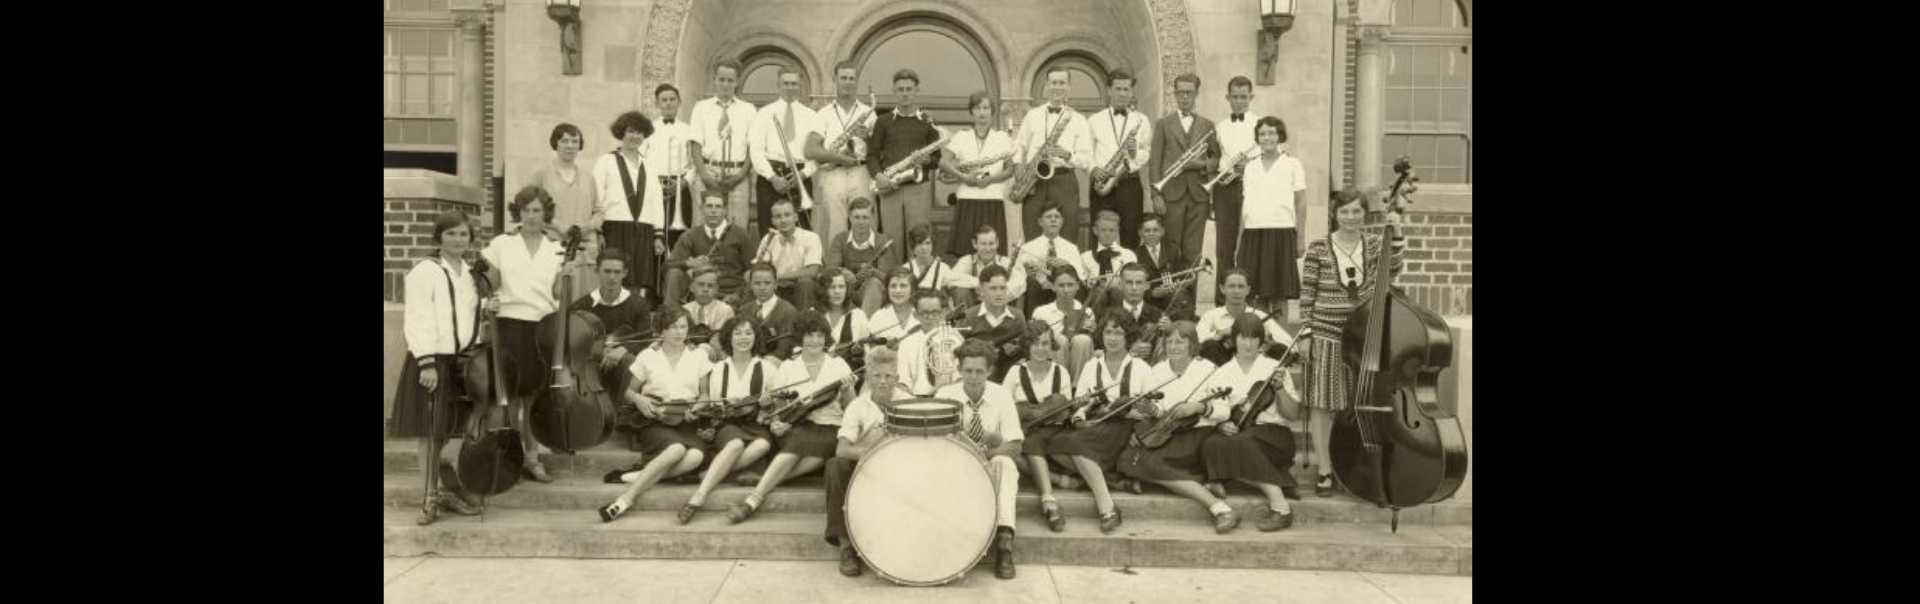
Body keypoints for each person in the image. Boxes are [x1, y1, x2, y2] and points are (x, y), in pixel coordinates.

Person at [1298, 186, 1405, 496]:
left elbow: (1394, 268)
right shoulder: (1319, 248)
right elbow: (1308, 294)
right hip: (1326, 334)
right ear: (1335, 214)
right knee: (1322, 403)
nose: (1350, 217)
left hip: (1363, 337)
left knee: (1361, 403)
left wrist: (1396, 231)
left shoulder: (1373, 245)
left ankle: (1357, 466)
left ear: (1364, 214)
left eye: (1356, 211)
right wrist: (1306, 333)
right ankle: (1325, 470)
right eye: (1344, 211)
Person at [393, 211, 487, 525]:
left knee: (452, 430)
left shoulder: (470, 273)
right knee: (430, 432)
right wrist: (426, 363)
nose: (458, 240)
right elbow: (418, 318)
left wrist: (488, 307)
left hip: (462, 362)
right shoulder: (426, 271)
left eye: (463, 235)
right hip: (433, 361)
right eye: (451, 234)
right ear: (439, 238)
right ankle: (429, 496)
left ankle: (447, 488)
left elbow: (463, 313)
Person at [1114, 321, 1244, 533]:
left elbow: (1224, 410)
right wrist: (1149, 413)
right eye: (1170, 341)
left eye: (1180, 342)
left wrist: (1199, 407)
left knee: (1149, 464)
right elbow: (1159, 410)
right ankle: (1200, 482)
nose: (1173, 346)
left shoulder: (1208, 369)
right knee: (1126, 459)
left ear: (1192, 345)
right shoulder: (1157, 370)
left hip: (1197, 434)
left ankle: (1220, 509)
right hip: (1167, 432)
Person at [730, 311, 858, 524]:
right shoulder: (789, 367)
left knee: (816, 450)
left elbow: (852, 408)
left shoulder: (838, 365)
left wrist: (848, 390)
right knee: (799, 443)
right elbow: (779, 408)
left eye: (819, 335)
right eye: (809, 335)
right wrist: (777, 423)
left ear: (826, 337)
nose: (815, 341)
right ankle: (753, 499)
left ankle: (756, 493)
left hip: (831, 426)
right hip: (798, 425)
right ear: (800, 337)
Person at [480, 186, 569, 483]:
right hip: (508, 324)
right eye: (526, 210)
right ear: (517, 213)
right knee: (508, 398)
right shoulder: (502, 244)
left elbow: (557, 293)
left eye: (537, 211)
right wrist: (484, 295)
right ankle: (508, 457)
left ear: (546, 214)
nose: (531, 216)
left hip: (540, 327)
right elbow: (488, 282)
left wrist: (570, 271)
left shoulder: (555, 249)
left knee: (532, 398)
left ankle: (532, 457)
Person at [599, 308, 713, 523]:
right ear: (661, 330)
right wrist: (641, 401)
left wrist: (698, 407)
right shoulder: (648, 355)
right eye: (672, 327)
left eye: (683, 327)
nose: (679, 332)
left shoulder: (698, 356)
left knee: (696, 456)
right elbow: (629, 392)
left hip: (686, 419)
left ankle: (632, 477)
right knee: (677, 449)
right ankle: (625, 499)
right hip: (656, 419)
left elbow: (705, 393)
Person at [1051, 312, 1155, 534]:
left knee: (1074, 446)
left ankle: (1106, 507)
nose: (1113, 338)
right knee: (1056, 445)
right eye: (1108, 332)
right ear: (1102, 335)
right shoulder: (1092, 366)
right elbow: (1080, 404)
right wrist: (1080, 414)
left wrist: (1139, 412)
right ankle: (1110, 478)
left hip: (1125, 429)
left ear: (1129, 337)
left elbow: (1153, 409)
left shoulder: (1141, 367)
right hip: (1097, 425)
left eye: (1119, 332)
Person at [930, 340, 1026, 580]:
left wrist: (984, 457)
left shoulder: (1002, 395)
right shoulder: (945, 395)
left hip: (988, 463)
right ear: (959, 370)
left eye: (979, 371)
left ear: (990, 371)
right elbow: (934, 443)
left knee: (1006, 464)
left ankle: (1004, 542)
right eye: (968, 371)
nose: (973, 377)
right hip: (954, 464)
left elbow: (1014, 445)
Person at [1199, 313, 1302, 531]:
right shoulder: (1222, 372)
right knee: (1210, 445)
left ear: (1261, 341)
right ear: (1233, 340)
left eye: (1254, 338)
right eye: (1243, 337)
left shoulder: (1275, 368)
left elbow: (1292, 415)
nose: (1248, 343)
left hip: (1274, 436)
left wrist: (1280, 389)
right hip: (1241, 435)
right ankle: (1280, 479)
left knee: (1240, 443)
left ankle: (1281, 507)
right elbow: (1217, 411)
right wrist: (1220, 425)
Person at [678, 315, 778, 524]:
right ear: (728, 338)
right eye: (738, 333)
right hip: (728, 423)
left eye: (749, 333)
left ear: (756, 337)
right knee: (735, 444)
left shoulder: (767, 368)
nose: (743, 338)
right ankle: (698, 497)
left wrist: (767, 403)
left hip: (755, 423)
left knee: (762, 444)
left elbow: (776, 406)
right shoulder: (718, 369)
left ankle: (710, 472)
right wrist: (711, 408)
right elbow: (713, 404)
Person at [824, 345, 907, 577]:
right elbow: (842, 449)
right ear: (867, 377)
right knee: (834, 466)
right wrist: (876, 451)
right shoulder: (857, 406)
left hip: (899, 469)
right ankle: (846, 546)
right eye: (876, 376)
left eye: (888, 376)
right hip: (865, 469)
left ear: (897, 377)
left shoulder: (909, 402)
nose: (882, 381)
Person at [568, 250, 655, 450]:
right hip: (590, 365)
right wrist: (600, 352)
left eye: (617, 272)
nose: (612, 277)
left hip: (622, 365)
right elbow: (573, 341)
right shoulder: (582, 305)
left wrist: (623, 349)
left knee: (631, 361)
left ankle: (624, 423)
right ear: (597, 271)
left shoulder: (638, 304)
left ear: (624, 273)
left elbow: (646, 338)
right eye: (607, 271)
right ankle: (588, 419)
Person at [1004, 319, 1078, 532]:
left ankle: (1051, 490)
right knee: (1012, 449)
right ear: (1027, 345)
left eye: (1045, 343)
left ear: (1051, 346)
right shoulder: (1015, 372)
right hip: (1025, 431)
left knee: (1038, 441)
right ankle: (1051, 493)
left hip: (1053, 431)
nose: (1040, 348)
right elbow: (1005, 408)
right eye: (1035, 343)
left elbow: (1064, 409)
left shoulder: (1060, 372)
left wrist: (1050, 410)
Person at [866, 68, 944, 264]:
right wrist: (878, 176)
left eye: (909, 88)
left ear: (917, 90)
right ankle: (892, 285)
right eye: (900, 89)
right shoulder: (883, 121)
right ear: (894, 90)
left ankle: (918, 285)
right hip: (889, 186)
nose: (905, 93)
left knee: (918, 239)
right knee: (890, 240)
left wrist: (926, 160)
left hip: (917, 188)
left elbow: (937, 158)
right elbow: (872, 155)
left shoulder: (927, 121)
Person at [1236, 116, 1308, 318]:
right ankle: (1258, 339)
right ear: (1257, 138)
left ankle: (1280, 342)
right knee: (1253, 295)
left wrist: (1300, 239)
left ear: (1280, 136)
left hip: (1281, 233)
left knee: (1279, 294)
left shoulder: (1293, 164)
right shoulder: (1250, 167)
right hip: (1253, 234)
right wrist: (1239, 241)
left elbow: (1301, 202)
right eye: (1262, 134)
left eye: (1271, 133)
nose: (1266, 137)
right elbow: (1246, 206)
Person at [1148, 73, 1221, 270]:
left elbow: (1217, 159)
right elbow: (1154, 162)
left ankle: (1189, 301)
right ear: (1175, 94)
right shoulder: (1163, 124)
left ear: (1196, 94)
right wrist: (1156, 195)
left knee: (1193, 251)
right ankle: (1172, 298)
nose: (1185, 97)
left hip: (1199, 196)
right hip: (1171, 194)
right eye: (1180, 93)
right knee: (1171, 249)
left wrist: (1201, 165)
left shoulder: (1208, 125)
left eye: (1189, 93)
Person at [1012, 68, 1092, 243]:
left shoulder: (1078, 119)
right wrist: (1019, 166)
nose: (1057, 87)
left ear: (1069, 87)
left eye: (1062, 83)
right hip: (1034, 180)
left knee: (1068, 233)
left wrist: (1067, 155)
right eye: (1053, 83)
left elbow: (1086, 160)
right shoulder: (1032, 115)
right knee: (1032, 232)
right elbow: (1018, 145)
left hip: (1064, 180)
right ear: (1047, 86)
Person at [591, 112, 666, 298]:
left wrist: (658, 235)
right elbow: (596, 197)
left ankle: (632, 320)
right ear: (621, 133)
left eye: (640, 132)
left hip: (643, 229)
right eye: (631, 131)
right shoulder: (606, 161)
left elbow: (656, 201)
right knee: (613, 278)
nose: (635, 136)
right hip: (615, 227)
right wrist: (598, 231)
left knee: (639, 279)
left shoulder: (649, 166)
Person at [804, 60, 877, 243]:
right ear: (835, 81)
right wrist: (838, 157)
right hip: (832, 172)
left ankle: (865, 264)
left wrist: (868, 136)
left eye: (852, 78)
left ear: (856, 81)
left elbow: (878, 150)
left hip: (861, 171)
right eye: (843, 78)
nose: (848, 82)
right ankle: (834, 268)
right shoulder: (823, 113)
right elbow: (810, 150)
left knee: (864, 220)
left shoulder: (869, 112)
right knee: (834, 224)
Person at [940, 91, 1015, 259]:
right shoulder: (961, 136)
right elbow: (943, 163)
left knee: (992, 253)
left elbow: (1010, 170)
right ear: (972, 112)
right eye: (978, 108)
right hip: (967, 199)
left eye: (986, 108)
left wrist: (990, 179)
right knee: (965, 252)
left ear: (992, 111)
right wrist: (964, 177)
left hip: (993, 199)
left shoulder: (1002, 137)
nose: (982, 112)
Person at [530, 122, 602, 293]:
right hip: (554, 245)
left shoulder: (588, 178)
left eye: (575, 142)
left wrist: (588, 226)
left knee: (583, 301)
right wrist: (559, 227)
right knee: (555, 297)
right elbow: (531, 210)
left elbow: (598, 211)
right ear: (556, 143)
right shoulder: (542, 175)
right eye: (565, 141)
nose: (570, 146)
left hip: (585, 250)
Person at [690, 58, 760, 229]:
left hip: (737, 174)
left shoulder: (748, 109)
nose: (725, 84)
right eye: (721, 79)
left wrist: (742, 174)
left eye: (730, 80)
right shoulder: (701, 107)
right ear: (715, 80)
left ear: (737, 82)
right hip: (708, 173)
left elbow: (753, 147)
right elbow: (695, 145)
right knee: (704, 225)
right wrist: (704, 175)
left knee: (736, 227)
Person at [1087, 68, 1152, 249]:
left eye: (1127, 89)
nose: (1123, 94)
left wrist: (1133, 155)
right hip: (1102, 183)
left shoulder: (1141, 120)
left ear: (1131, 92)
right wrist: (1093, 169)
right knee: (1100, 237)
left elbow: (1146, 152)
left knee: (1130, 235)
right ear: (1109, 90)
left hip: (1130, 184)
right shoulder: (1094, 120)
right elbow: (1087, 152)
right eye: (1118, 89)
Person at [1211, 75, 1263, 295]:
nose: (1239, 101)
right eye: (1235, 97)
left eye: (1244, 97)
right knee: (1224, 245)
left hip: (1251, 187)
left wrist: (1249, 165)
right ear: (1227, 98)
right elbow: (1217, 157)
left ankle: (1247, 296)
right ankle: (1221, 299)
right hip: (1225, 187)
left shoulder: (1261, 124)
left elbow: (1269, 156)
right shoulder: (1220, 126)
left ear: (1251, 97)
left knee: (1248, 243)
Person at [751, 66, 818, 232]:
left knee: (802, 227)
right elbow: (756, 150)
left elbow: (816, 153)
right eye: (786, 83)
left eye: (794, 83)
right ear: (778, 85)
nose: (790, 87)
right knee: (769, 229)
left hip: (800, 174)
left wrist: (803, 174)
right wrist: (772, 178)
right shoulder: (764, 113)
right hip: (771, 177)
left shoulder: (811, 115)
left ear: (800, 86)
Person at [665, 195, 756, 308]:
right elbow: (669, 264)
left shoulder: (740, 234)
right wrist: (689, 263)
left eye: (718, 206)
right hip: (701, 292)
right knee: (674, 273)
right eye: (709, 206)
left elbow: (753, 269)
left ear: (725, 210)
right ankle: (671, 317)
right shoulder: (690, 235)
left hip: (731, 293)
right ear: (702, 209)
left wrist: (739, 294)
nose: (713, 210)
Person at [1196, 268, 1294, 365]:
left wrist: (1268, 340)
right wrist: (1218, 334)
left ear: (1248, 290)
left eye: (1241, 286)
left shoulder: (1259, 315)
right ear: (1222, 289)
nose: (1236, 291)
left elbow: (1290, 345)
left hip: (1253, 370)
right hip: (1220, 372)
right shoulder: (1211, 316)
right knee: (1210, 346)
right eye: (1231, 286)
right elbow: (1195, 343)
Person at [818, 197, 895, 315]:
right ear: (849, 218)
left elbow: (889, 278)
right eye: (856, 217)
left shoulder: (883, 241)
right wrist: (844, 272)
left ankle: (864, 328)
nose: (860, 222)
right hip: (846, 290)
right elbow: (831, 269)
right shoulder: (840, 239)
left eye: (865, 217)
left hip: (872, 293)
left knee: (874, 283)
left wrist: (873, 272)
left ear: (872, 218)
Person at [1012, 203, 1092, 316]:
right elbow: (1018, 276)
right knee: (1032, 283)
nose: (1053, 220)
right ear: (1040, 222)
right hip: (1038, 291)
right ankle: (1035, 325)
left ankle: (1072, 320)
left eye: (1057, 217)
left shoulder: (1071, 248)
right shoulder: (1028, 248)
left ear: (1062, 222)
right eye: (1049, 217)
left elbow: (1081, 277)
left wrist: (1067, 266)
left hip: (1064, 290)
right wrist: (1030, 273)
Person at [648, 84, 699, 251]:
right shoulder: (648, 130)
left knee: (680, 237)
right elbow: (643, 161)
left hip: (680, 185)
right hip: (655, 186)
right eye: (664, 100)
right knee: (656, 232)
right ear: (657, 103)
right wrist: (653, 183)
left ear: (679, 102)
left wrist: (686, 181)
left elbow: (695, 161)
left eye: (672, 99)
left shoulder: (689, 129)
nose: (668, 103)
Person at [953, 265, 1026, 380]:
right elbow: (958, 351)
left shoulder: (1017, 316)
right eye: (993, 288)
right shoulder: (967, 317)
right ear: (981, 290)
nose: (999, 293)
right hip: (977, 373)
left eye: (1003, 288)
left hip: (1009, 371)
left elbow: (1024, 348)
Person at [752, 197, 823, 309]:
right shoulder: (768, 238)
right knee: (755, 282)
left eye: (787, 215)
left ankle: (804, 323)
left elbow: (812, 271)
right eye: (778, 217)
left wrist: (778, 276)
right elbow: (761, 268)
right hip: (776, 288)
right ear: (773, 221)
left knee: (806, 283)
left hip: (799, 288)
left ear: (795, 217)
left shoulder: (811, 237)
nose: (783, 220)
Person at [895, 287, 964, 396]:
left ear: (944, 313)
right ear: (915, 315)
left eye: (935, 312)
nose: (930, 317)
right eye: (924, 313)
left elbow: (959, 379)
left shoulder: (955, 340)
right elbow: (902, 381)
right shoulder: (906, 344)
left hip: (948, 400)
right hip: (914, 401)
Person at [1029, 267, 1098, 374]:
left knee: (1082, 340)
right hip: (1051, 362)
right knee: (1059, 339)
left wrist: (1091, 330)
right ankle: (1058, 381)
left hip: (1080, 363)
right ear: (1053, 287)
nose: (1066, 290)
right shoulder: (1041, 312)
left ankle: (1077, 386)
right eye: (1061, 285)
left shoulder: (1087, 312)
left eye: (1070, 285)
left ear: (1077, 286)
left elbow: (1088, 347)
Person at [948, 224, 1027, 310]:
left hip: (1000, 309)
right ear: (975, 244)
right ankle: (965, 322)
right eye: (983, 244)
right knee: (961, 291)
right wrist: (979, 284)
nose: (988, 248)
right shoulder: (967, 261)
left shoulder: (1005, 262)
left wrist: (997, 293)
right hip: (973, 312)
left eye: (991, 243)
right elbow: (951, 279)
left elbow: (1020, 282)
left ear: (997, 243)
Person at [813, 268, 870, 373]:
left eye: (841, 287)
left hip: (849, 376)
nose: (837, 291)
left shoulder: (858, 315)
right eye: (832, 287)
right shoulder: (813, 314)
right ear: (823, 290)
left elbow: (867, 354)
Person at [741, 262, 802, 361]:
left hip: (777, 363)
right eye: (757, 283)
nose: (762, 288)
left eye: (767, 283)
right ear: (750, 285)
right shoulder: (745, 310)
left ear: (775, 284)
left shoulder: (788, 311)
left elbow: (784, 347)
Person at [1080, 209, 1136, 310]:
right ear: (1095, 231)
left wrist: (1118, 284)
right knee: (1099, 293)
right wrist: (1092, 283)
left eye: (1111, 230)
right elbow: (1083, 282)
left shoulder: (1128, 255)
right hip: (1096, 301)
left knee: (1117, 292)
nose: (1107, 234)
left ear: (1117, 230)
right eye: (1103, 230)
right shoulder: (1085, 257)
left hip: (1121, 298)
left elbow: (1133, 280)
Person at [1132, 213, 1189, 313]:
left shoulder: (1173, 249)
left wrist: (1176, 284)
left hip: (1172, 296)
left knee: (1181, 297)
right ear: (1140, 233)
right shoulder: (1135, 255)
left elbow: (1181, 273)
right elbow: (1134, 285)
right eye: (1147, 231)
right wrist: (1151, 293)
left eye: (1155, 230)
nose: (1151, 233)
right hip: (1150, 301)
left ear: (1162, 231)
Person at [681, 267, 735, 362]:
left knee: (704, 348)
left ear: (717, 289)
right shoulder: (684, 310)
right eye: (701, 285)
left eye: (710, 286)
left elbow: (723, 341)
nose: (705, 289)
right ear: (691, 287)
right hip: (687, 351)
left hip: (716, 353)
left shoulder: (725, 310)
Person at [900, 224, 962, 294]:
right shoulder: (905, 269)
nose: (924, 248)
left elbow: (960, 281)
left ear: (933, 245)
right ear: (913, 246)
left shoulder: (942, 268)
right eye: (919, 243)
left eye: (928, 243)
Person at [863, 267, 920, 342]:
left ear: (913, 290)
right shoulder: (878, 317)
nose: (897, 290)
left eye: (903, 286)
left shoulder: (923, 315)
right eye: (893, 286)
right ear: (887, 289)